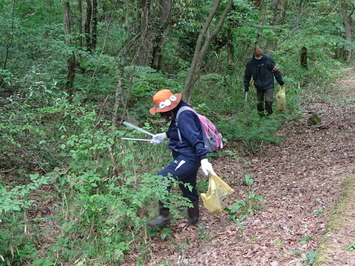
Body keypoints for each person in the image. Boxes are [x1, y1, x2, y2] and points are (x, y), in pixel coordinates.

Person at [147, 89, 216, 228]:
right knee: (187, 186)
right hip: (185, 156)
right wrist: (165, 135)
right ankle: (194, 219)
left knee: (161, 178)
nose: (162, 114)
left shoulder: (184, 115)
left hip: (188, 157)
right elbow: (180, 131)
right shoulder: (181, 111)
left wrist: (203, 159)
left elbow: (194, 137)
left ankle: (163, 216)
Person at [243, 45, 284, 117]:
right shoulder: (251, 63)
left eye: (260, 54)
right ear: (253, 54)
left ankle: (269, 114)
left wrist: (280, 80)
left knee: (269, 100)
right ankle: (261, 115)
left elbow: (275, 70)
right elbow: (247, 75)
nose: (259, 56)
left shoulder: (267, 59)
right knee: (259, 102)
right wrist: (246, 85)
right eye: (257, 55)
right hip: (258, 85)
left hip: (269, 83)